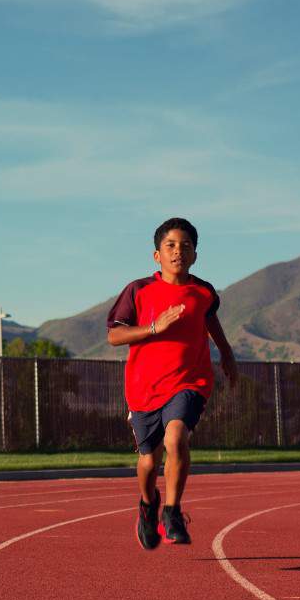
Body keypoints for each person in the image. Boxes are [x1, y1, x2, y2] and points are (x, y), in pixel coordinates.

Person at [105, 217, 237, 549]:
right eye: (171, 246)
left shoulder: (204, 292)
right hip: (144, 388)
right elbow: (114, 335)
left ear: (195, 255)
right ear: (157, 256)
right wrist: (153, 328)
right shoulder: (138, 290)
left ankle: (172, 511)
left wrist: (226, 352)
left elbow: (210, 320)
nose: (179, 251)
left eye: (186, 246)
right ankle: (148, 506)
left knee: (176, 438)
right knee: (149, 461)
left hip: (190, 380)